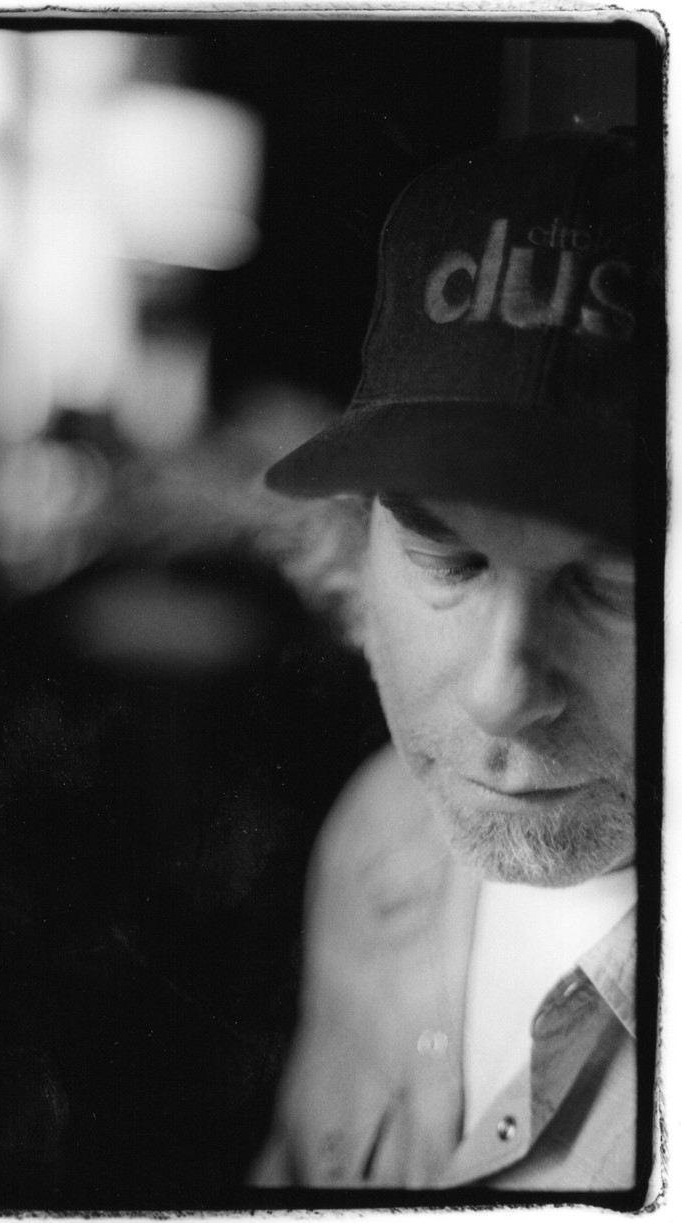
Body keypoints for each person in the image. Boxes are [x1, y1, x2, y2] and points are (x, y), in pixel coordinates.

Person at [250, 131, 658, 1191]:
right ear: (354, 552)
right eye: (448, 559)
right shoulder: (381, 829)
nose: (501, 691)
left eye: (612, 585)